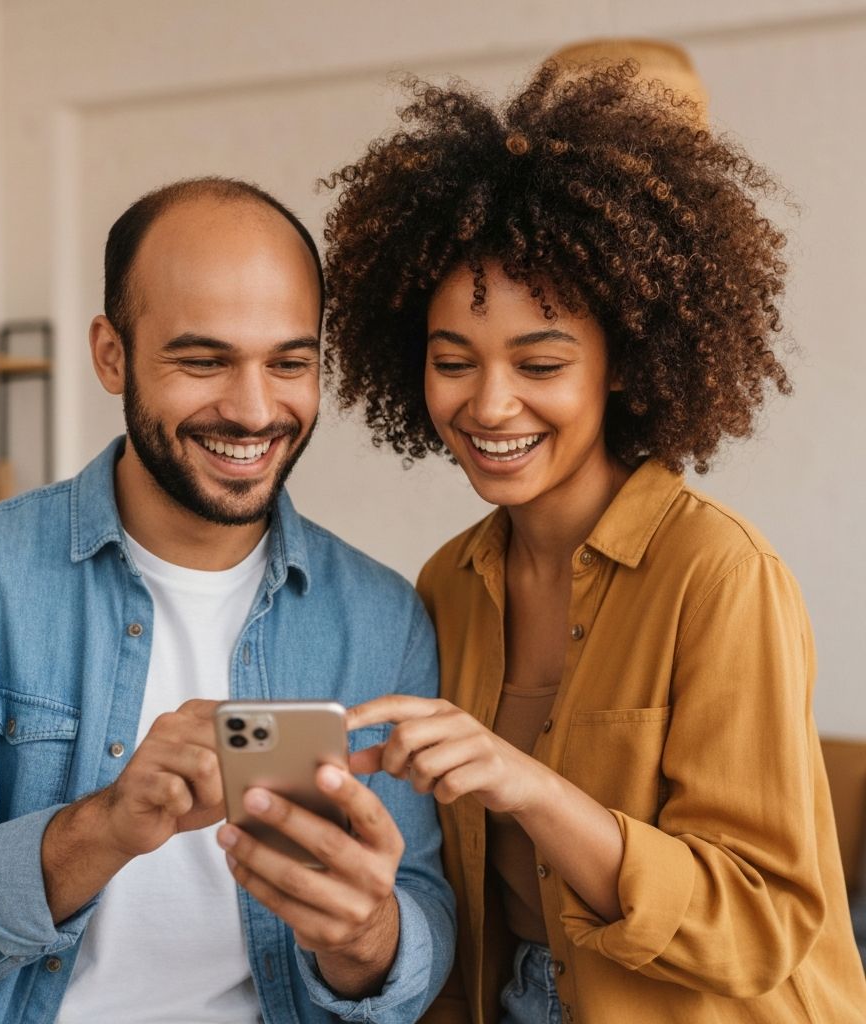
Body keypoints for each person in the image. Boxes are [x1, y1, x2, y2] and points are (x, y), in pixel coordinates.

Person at [324, 61, 866, 1023]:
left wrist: (530, 787)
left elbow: (761, 921)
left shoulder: (718, 573)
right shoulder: (449, 583)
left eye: (540, 364)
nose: (490, 405)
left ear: (623, 361)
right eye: (453, 362)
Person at [0, 177, 454, 1023]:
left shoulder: (383, 618)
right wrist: (102, 828)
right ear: (111, 354)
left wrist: (366, 935)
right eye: (203, 361)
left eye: (289, 363)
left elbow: (421, 926)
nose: (253, 411)